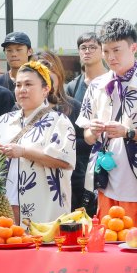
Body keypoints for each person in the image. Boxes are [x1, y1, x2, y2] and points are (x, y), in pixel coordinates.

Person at [77, 18, 137, 223]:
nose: (111, 57)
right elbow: (87, 138)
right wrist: (94, 131)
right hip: (105, 180)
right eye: (106, 51)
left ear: (133, 47)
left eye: (117, 50)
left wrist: (127, 132)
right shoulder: (97, 85)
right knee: (108, 240)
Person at [0, 62, 76, 224]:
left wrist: (23, 151)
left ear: (46, 90)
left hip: (43, 205)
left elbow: (65, 161)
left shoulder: (59, 121)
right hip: (4, 203)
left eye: (28, 84)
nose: (22, 89)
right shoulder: (5, 120)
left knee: (40, 246)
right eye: (18, 85)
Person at [36, 50, 91, 213]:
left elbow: (87, 143)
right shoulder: (23, 109)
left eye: (49, 73)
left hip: (70, 181)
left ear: (58, 75)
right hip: (34, 181)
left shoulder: (72, 106)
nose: (45, 79)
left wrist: (64, 146)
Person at [66, 31, 107, 106]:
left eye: (92, 47)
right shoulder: (72, 87)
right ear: (79, 52)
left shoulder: (114, 81)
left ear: (103, 51)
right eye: (83, 48)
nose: (87, 51)